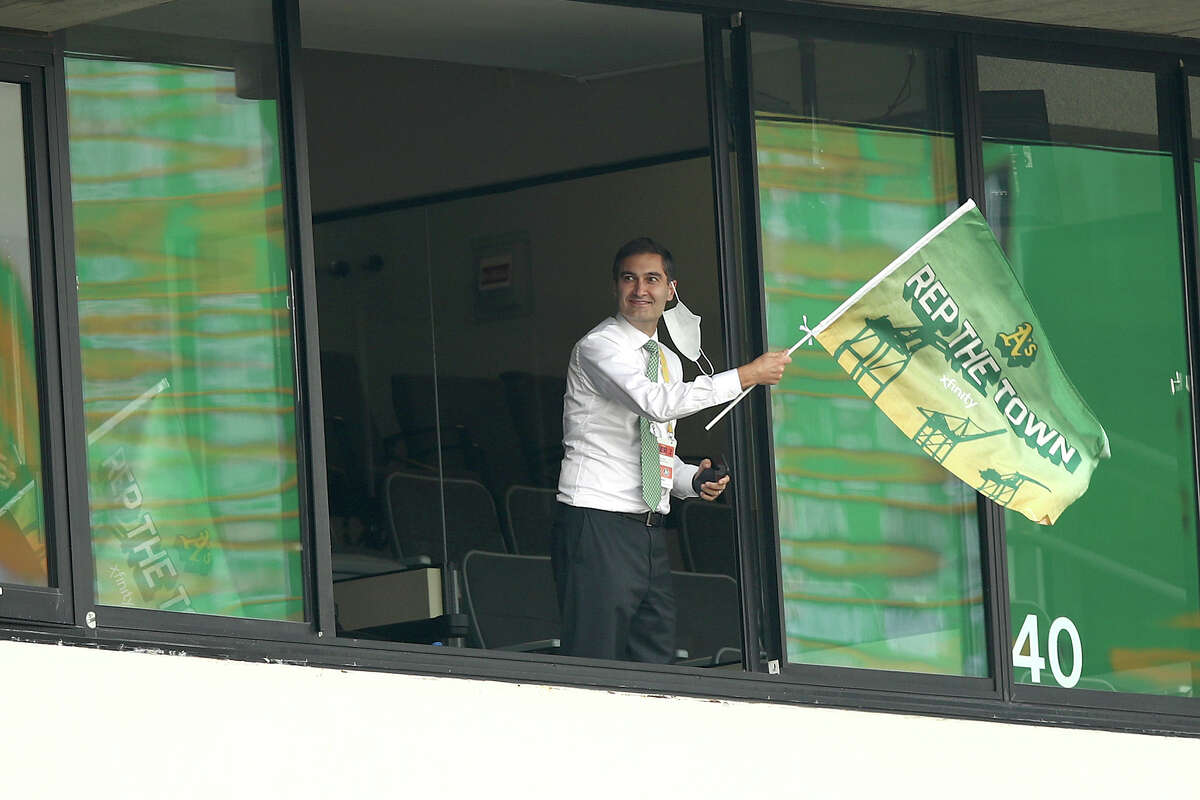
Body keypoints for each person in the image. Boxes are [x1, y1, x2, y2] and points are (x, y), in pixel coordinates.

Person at [552, 237, 791, 663]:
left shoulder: (668, 358)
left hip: (649, 531)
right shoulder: (600, 346)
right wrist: (747, 375)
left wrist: (690, 480)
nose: (640, 289)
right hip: (598, 521)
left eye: (652, 279)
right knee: (594, 663)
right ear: (615, 287)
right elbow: (654, 402)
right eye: (629, 278)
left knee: (656, 664)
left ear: (670, 290)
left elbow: (657, 444)